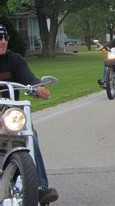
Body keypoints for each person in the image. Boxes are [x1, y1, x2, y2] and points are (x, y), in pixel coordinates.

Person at [0, 24, 59, 204]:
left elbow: (28, 79)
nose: (2, 41)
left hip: (9, 112)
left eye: (4, 38)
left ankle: (39, 187)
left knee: (30, 135)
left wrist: (38, 88)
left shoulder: (14, 59)